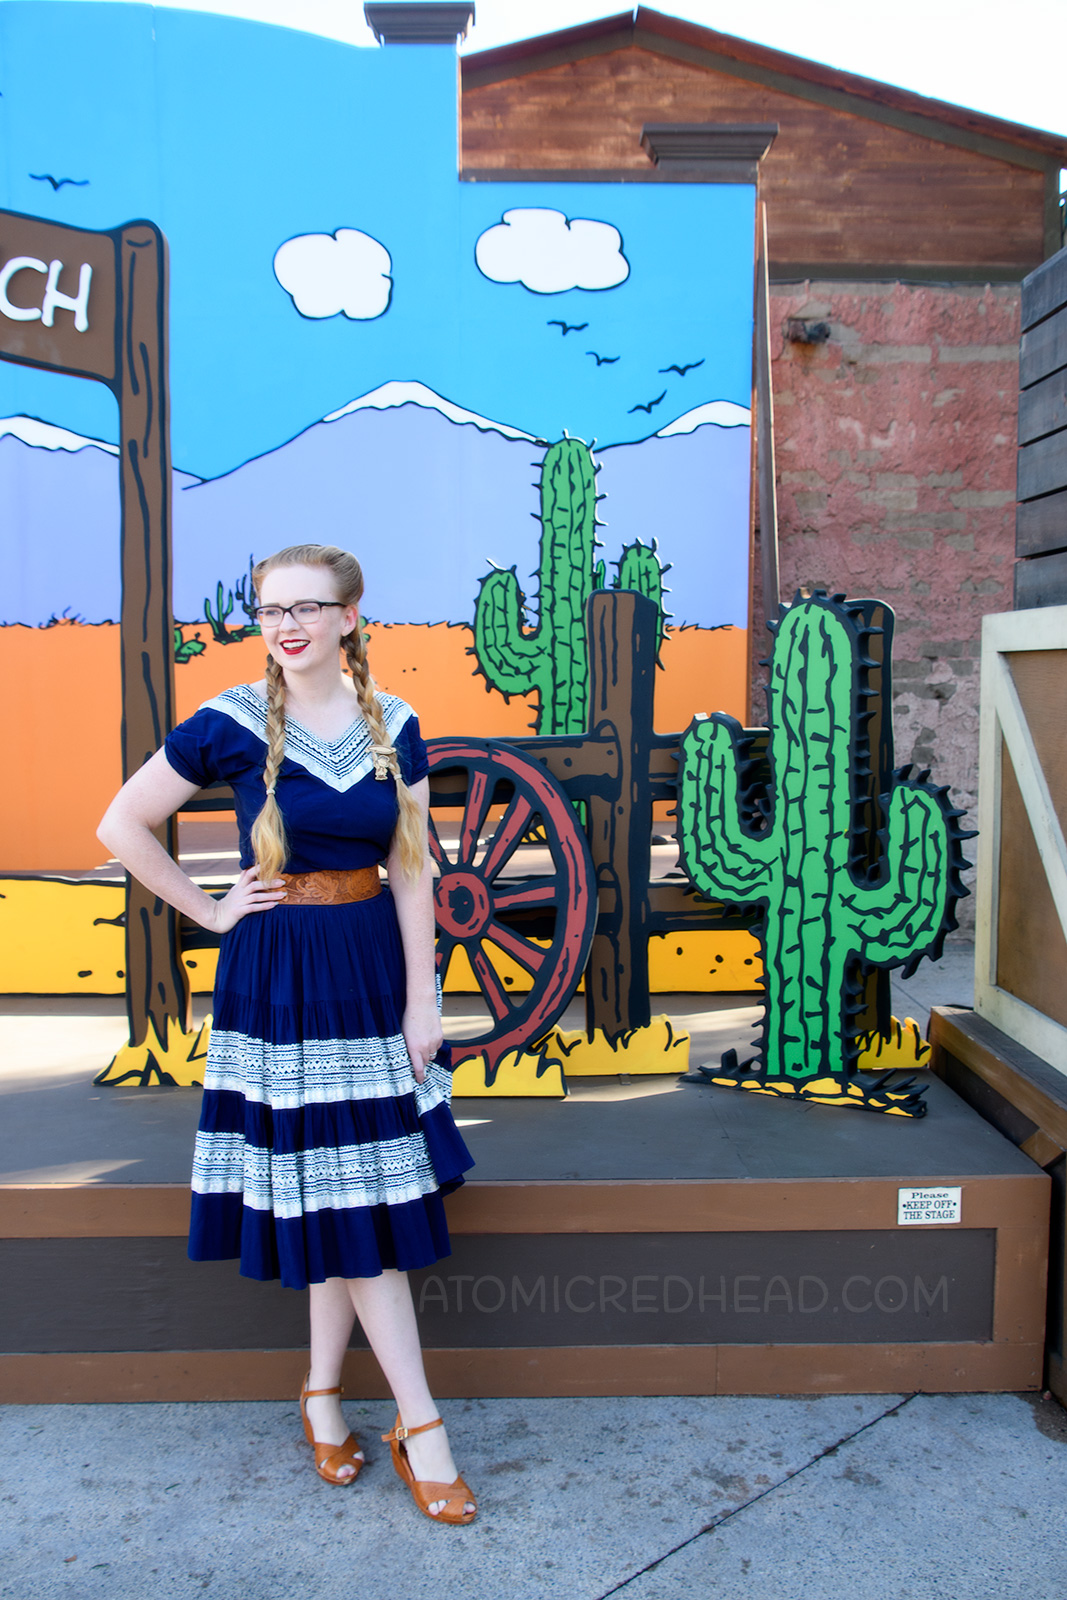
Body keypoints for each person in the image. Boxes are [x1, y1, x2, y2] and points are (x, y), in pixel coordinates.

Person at [98, 543, 477, 1525]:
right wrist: (210, 910)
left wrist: (422, 1000)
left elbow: (409, 872)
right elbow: (122, 824)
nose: (287, 623)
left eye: (308, 605)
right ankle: (420, 1423)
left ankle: (319, 1391)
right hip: (276, 978)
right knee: (349, 1202)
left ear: (350, 615)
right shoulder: (226, 720)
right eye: (270, 608)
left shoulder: (395, 724)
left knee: (340, 1195)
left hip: (365, 972)